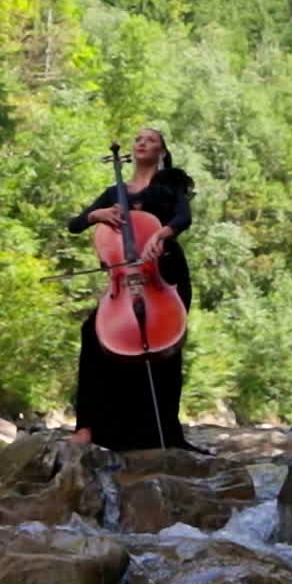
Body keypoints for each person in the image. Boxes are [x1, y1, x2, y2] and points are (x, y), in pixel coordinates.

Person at [67, 127, 195, 451]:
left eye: (150, 140)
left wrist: (160, 234)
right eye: (138, 139)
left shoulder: (169, 186)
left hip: (164, 274)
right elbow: (74, 225)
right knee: (92, 334)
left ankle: (165, 434)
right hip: (123, 282)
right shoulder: (115, 192)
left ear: (161, 152)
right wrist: (96, 214)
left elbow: (183, 218)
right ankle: (89, 427)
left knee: (164, 348)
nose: (142, 143)